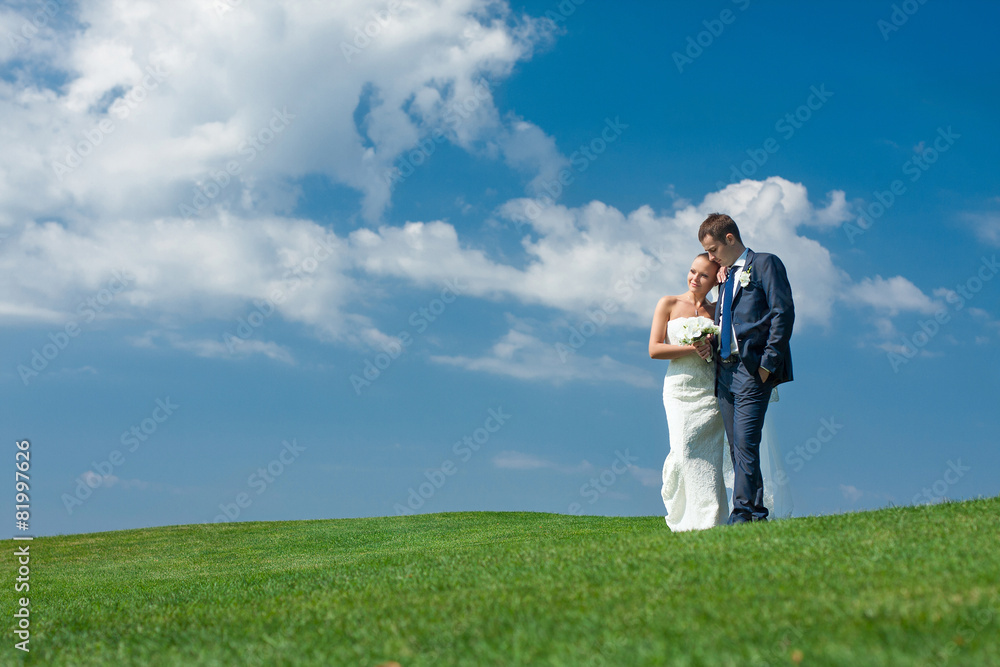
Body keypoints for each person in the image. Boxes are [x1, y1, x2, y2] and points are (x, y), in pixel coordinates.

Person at [697, 213, 794, 525]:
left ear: (729, 239)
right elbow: (727, 322)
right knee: (737, 447)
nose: (710, 258)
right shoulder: (724, 278)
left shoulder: (765, 263)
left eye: (712, 250)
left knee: (746, 441)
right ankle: (755, 512)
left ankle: (741, 514)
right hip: (724, 372)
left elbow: (782, 312)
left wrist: (768, 364)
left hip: (753, 369)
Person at [648, 253, 730, 531]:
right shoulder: (668, 303)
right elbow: (654, 349)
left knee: (710, 453)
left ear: (714, 280)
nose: (695, 278)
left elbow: (724, 349)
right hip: (679, 389)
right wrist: (692, 348)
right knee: (683, 450)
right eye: (693, 271)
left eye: (704, 275)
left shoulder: (717, 310)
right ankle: (684, 516)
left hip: (710, 389)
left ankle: (712, 519)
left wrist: (711, 348)